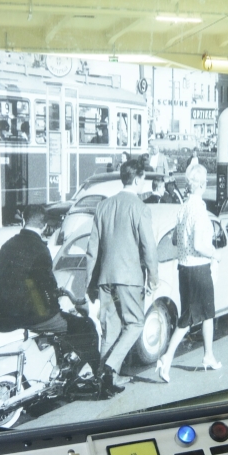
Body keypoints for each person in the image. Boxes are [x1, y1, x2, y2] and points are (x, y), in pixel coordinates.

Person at [0, 205, 114, 396]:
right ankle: (101, 381)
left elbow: (1, 276)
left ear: (24, 221)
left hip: (3, 314)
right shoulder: (40, 249)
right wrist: (56, 304)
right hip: (31, 316)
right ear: (44, 226)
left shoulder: (8, 245)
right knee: (86, 327)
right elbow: (46, 288)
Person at [85, 159, 158, 383]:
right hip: (130, 278)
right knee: (135, 323)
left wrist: (90, 284)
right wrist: (154, 277)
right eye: (144, 178)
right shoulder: (140, 208)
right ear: (137, 179)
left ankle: (105, 379)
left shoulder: (103, 206)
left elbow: (92, 250)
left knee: (111, 329)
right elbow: (149, 247)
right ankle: (109, 367)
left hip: (105, 279)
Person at [158, 159, 222, 381]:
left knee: (193, 316)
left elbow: (176, 239)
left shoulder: (183, 209)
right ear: (203, 185)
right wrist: (214, 253)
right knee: (203, 315)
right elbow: (199, 245)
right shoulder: (200, 211)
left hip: (183, 269)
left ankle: (206, 356)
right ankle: (170, 359)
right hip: (199, 269)